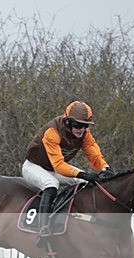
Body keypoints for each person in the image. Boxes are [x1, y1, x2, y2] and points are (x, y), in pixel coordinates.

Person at [22, 100, 115, 248]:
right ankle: (43, 229)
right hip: (34, 166)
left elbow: (93, 153)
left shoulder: (84, 134)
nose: (81, 129)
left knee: (85, 184)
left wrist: (105, 168)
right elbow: (58, 165)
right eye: (77, 125)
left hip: (53, 169)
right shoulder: (52, 132)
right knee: (52, 184)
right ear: (68, 122)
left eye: (85, 126)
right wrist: (83, 174)